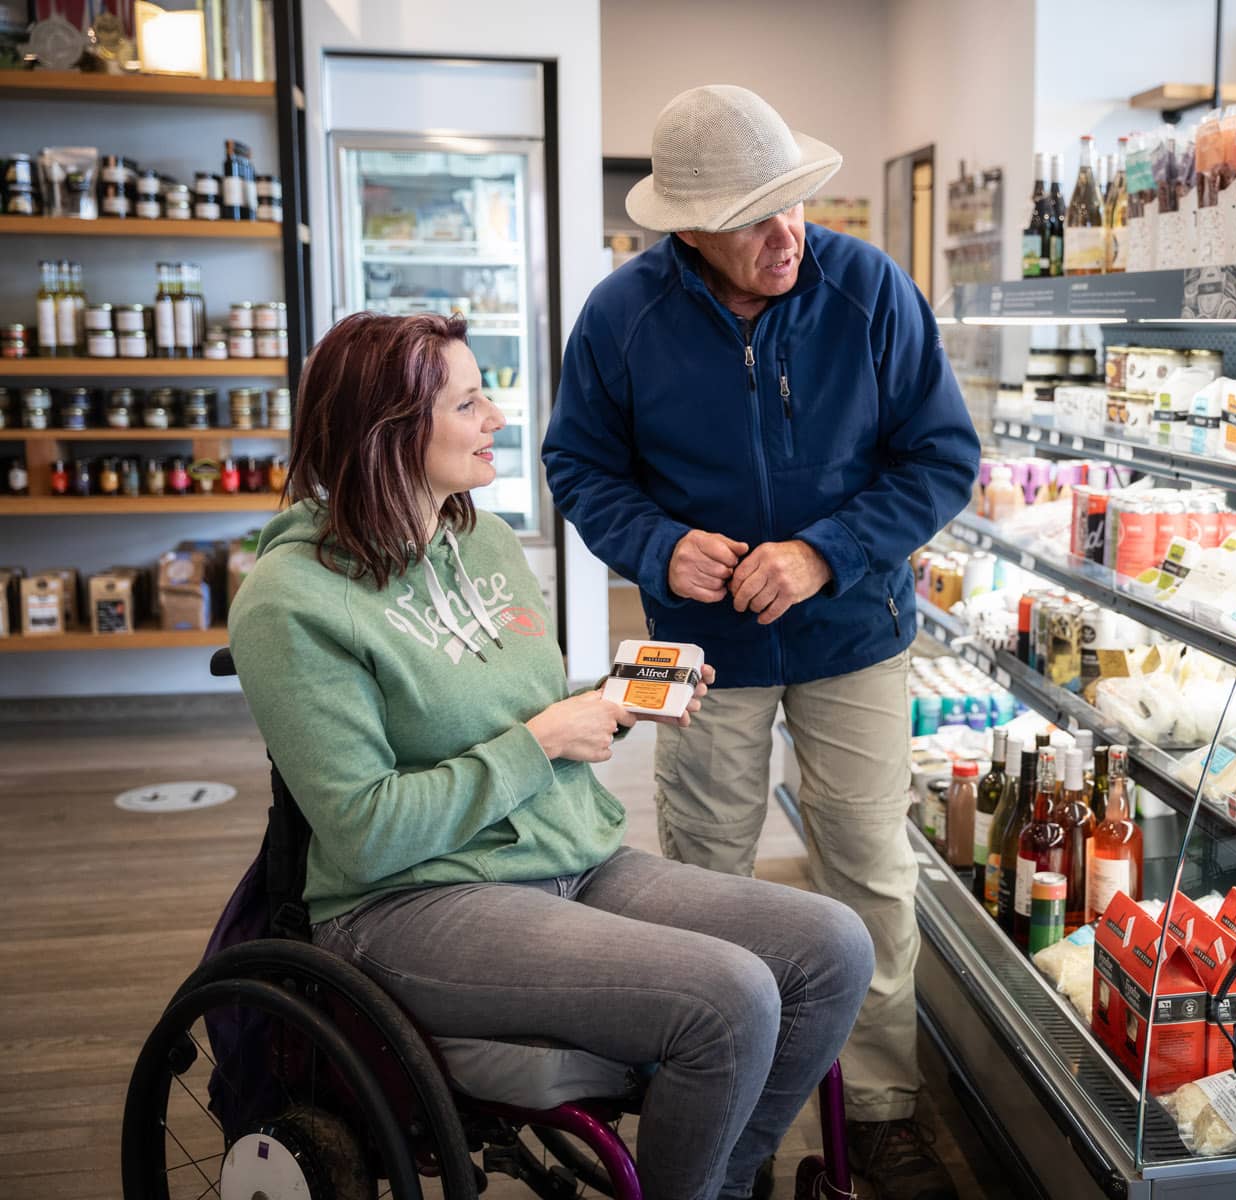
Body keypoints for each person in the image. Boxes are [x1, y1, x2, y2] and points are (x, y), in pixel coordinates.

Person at [229, 312, 874, 1200]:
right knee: (729, 998)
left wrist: (609, 699)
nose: (497, 417)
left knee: (834, 943)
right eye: (468, 401)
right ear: (389, 431)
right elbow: (366, 831)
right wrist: (540, 744)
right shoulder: (289, 603)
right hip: (414, 903)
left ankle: (718, 1184)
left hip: (568, 854)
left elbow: (508, 704)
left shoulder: (479, 540)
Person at [544, 85, 979, 1200]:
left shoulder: (869, 287)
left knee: (870, 875)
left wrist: (825, 552)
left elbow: (938, 459)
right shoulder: (619, 317)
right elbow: (579, 467)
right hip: (701, 650)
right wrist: (654, 544)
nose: (786, 232)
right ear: (684, 229)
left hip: (858, 634)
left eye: (792, 202)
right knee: (702, 883)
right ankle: (713, 1104)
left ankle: (878, 1108)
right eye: (751, 217)